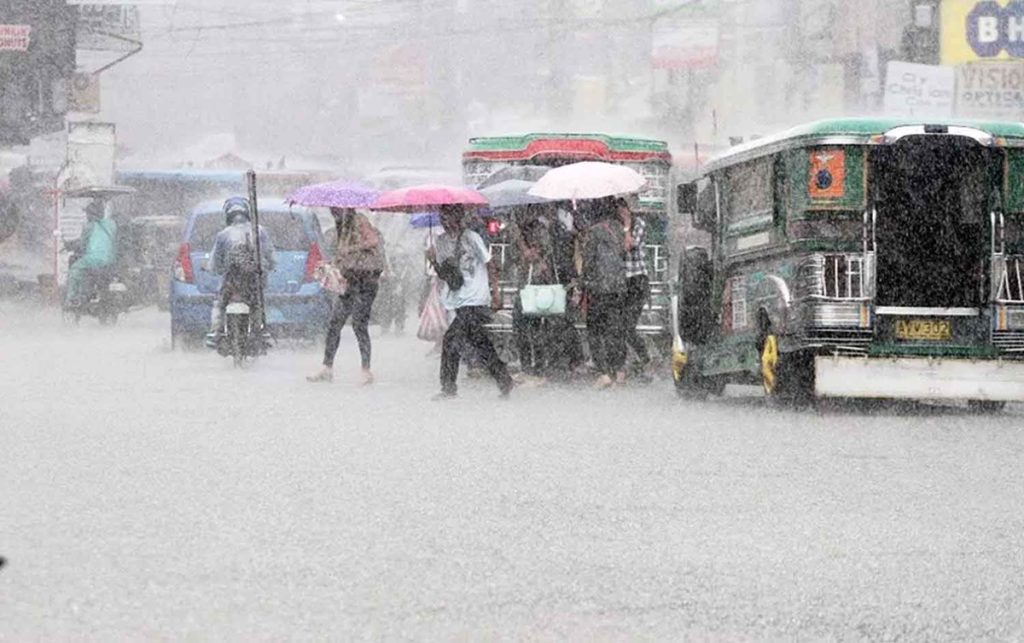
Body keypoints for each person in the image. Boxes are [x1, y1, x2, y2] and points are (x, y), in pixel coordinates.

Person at [427, 204, 514, 399]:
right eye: (442, 217)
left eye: (448, 216)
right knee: (480, 343)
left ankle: (448, 387)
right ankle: (504, 379)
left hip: (476, 298)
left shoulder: (471, 237)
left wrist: (495, 293)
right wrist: (433, 261)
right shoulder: (440, 242)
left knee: (451, 340)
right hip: (458, 298)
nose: (445, 221)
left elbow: (489, 263)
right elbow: (445, 275)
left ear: (458, 217)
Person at [308, 207, 384, 384]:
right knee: (335, 323)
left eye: (335, 210)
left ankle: (366, 370)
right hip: (349, 280)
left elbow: (373, 241)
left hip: (366, 281)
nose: (333, 213)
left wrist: (351, 249)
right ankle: (327, 367)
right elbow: (342, 256)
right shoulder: (341, 227)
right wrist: (330, 265)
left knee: (359, 324)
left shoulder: (359, 221)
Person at [206, 197, 276, 345]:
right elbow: (269, 255)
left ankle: (216, 331)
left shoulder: (223, 235)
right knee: (258, 303)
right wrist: (270, 266)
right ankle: (261, 330)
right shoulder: (259, 231)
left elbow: (215, 263)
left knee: (219, 303)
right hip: (253, 281)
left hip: (230, 282)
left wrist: (211, 269)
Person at [581, 197, 627, 389]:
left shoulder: (594, 231)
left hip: (599, 288)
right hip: (618, 287)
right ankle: (619, 370)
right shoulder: (618, 229)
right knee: (615, 330)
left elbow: (588, 262)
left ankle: (604, 373)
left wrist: (583, 283)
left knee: (595, 331)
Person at [508, 204, 556, 381]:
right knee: (519, 325)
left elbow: (544, 253)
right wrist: (521, 249)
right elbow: (514, 257)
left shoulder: (540, 230)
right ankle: (526, 365)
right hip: (523, 283)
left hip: (537, 283)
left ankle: (539, 368)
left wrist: (533, 252)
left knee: (535, 327)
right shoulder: (516, 233)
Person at [618, 195, 652, 378]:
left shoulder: (639, 224)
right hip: (621, 281)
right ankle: (625, 363)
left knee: (628, 326)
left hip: (637, 280)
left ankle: (645, 359)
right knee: (619, 325)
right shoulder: (615, 226)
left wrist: (626, 225)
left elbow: (629, 245)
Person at [64, 199, 118, 309]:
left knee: (74, 271)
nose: (86, 216)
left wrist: (71, 245)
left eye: (87, 214)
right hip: (109, 260)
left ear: (90, 214)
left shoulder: (89, 226)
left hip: (93, 259)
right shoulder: (111, 224)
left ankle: (71, 299)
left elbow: (82, 245)